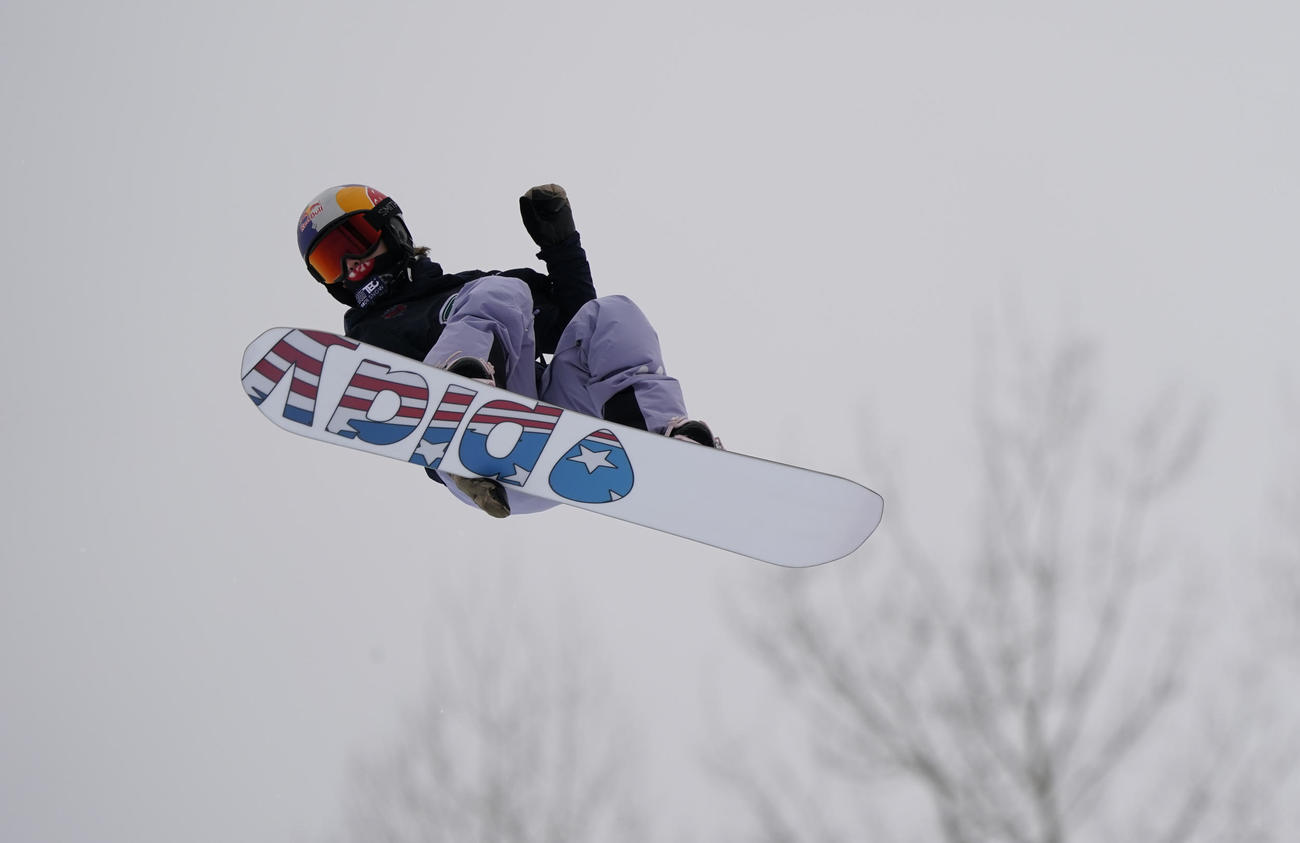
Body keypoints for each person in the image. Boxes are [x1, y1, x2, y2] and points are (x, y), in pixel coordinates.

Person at [296, 183, 720, 518]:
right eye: (332, 261)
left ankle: (660, 438)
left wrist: (562, 247)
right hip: (471, 462)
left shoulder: (474, 289)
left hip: (555, 438)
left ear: (392, 231)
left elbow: (576, 324)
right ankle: (461, 399)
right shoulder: (368, 333)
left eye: (356, 239)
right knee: (501, 291)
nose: (352, 264)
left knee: (613, 312)